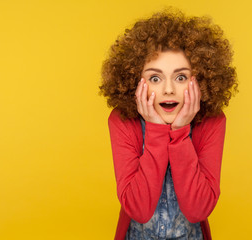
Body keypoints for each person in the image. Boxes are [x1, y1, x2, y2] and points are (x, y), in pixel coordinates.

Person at [100, 7, 238, 240]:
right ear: (136, 82)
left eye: (181, 77)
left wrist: (180, 132)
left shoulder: (212, 122)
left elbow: (198, 210)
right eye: (155, 78)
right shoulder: (122, 121)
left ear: (200, 79)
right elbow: (139, 210)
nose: (168, 89)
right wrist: (155, 129)